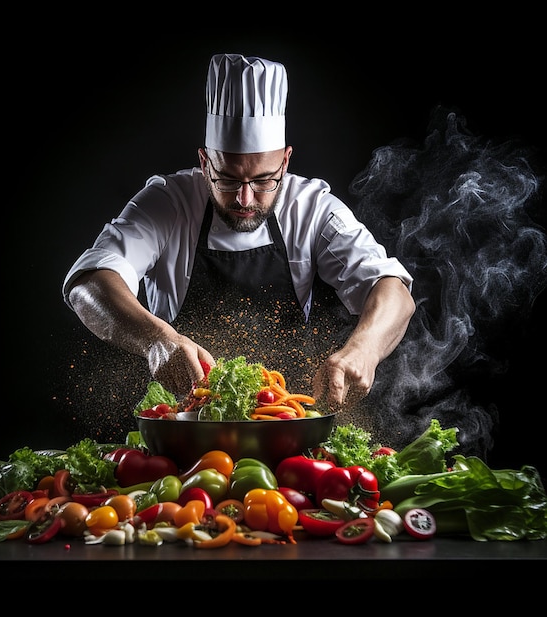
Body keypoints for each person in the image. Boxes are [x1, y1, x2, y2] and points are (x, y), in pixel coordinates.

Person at [62, 53, 416, 415]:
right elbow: (89, 284)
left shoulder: (311, 207)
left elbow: (392, 289)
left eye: (264, 180)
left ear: (285, 161)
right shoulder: (167, 203)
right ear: (204, 162)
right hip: (187, 424)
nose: (245, 199)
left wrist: (365, 348)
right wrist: (157, 341)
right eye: (227, 179)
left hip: (289, 420)